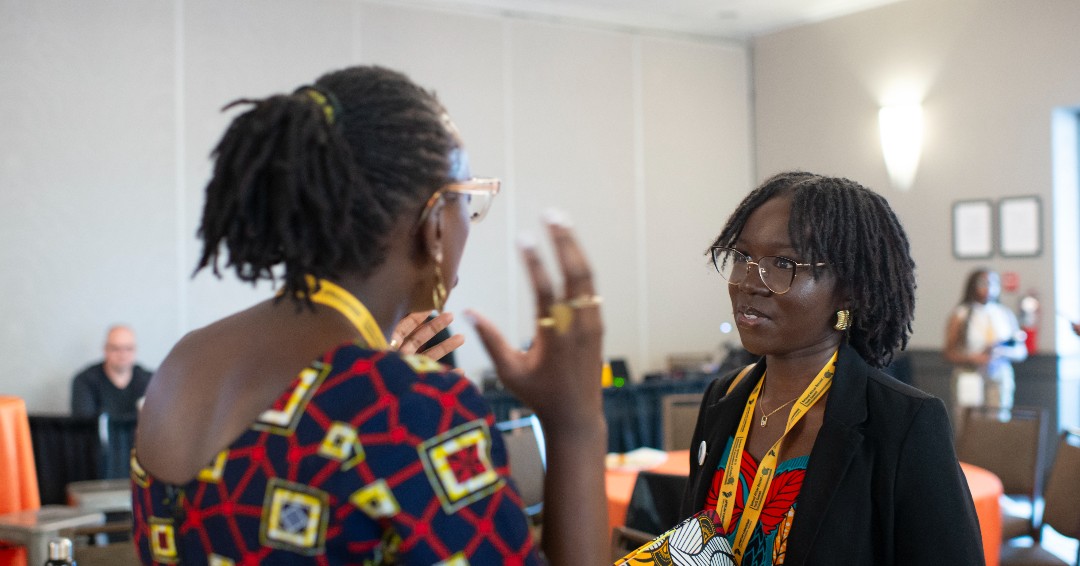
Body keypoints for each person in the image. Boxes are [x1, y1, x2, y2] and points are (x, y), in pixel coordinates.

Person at [132, 66, 608, 565]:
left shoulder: (182, 363)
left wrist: (387, 372)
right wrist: (576, 424)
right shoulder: (410, 406)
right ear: (434, 226)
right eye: (468, 203)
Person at [680, 172, 984, 565]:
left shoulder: (903, 424)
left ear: (849, 287)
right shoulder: (723, 398)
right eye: (742, 257)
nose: (748, 282)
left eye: (783, 262)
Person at [943, 268, 1027, 415]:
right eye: (983, 283)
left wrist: (1002, 352)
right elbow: (949, 352)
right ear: (972, 286)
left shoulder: (1004, 314)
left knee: (998, 420)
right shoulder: (961, 314)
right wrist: (973, 358)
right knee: (969, 421)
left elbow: (1021, 351)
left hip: (998, 374)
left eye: (993, 283)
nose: (989, 288)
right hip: (970, 374)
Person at [70, 324, 152, 417]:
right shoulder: (85, 381)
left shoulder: (150, 381)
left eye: (128, 349)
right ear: (105, 349)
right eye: (116, 349)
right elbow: (84, 424)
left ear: (135, 350)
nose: (123, 355)